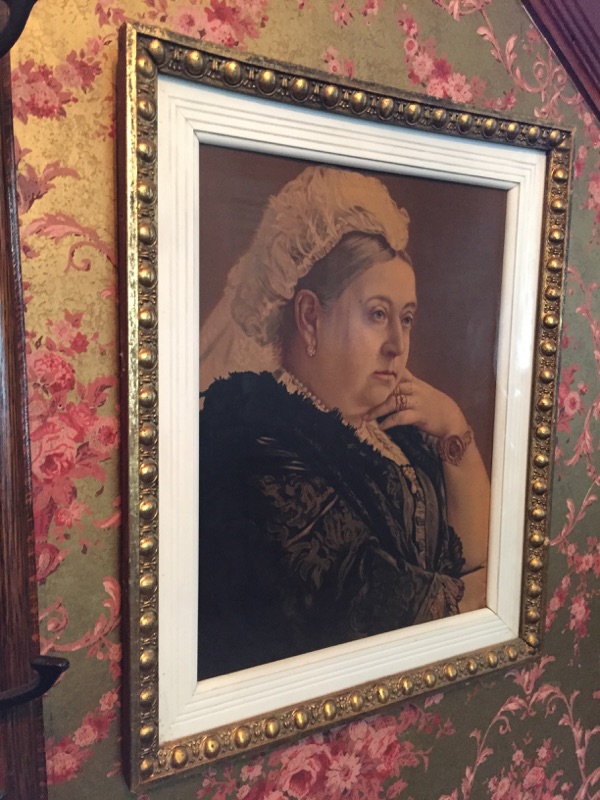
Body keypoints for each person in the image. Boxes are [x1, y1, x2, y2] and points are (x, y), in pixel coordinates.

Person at [197, 165, 490, 680]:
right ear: (310, 317)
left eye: (406, 318)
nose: (397, 345)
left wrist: (452, 425)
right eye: (377, 314)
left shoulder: (397, 432)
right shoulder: (258, 449)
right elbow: (426, 618)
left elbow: (477, 560)